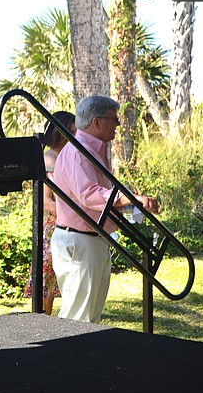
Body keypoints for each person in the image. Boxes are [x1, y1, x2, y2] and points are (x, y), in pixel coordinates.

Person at [50, 95, 159, 323]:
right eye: (113, 119)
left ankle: (82, 357)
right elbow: (89, 194)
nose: (118, 124)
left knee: (89, 316)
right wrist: (131, 199)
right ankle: (67, 358)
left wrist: (131, 203)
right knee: (77, 317)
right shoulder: (78, 152)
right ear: (96, 122)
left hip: (93, 238)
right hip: (80, 241)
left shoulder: (92, 150)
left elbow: (99, 193)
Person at [24, 111, 75, 315]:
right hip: (54, 225)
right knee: (47, 277)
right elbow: (44, 201)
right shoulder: (47, 159)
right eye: (72, 130)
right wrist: (70, 215)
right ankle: (42, 319)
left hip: (72, 224)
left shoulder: (70, 156)